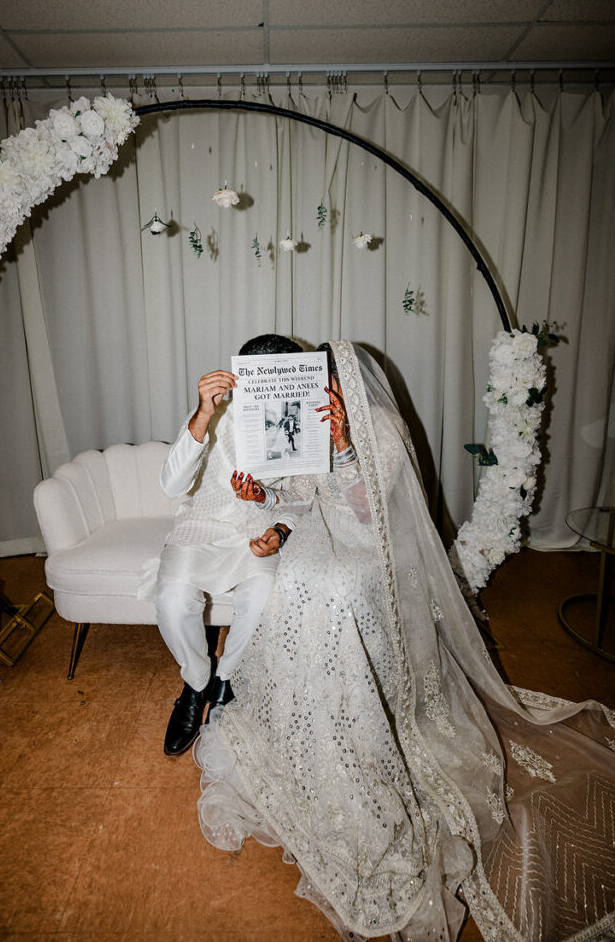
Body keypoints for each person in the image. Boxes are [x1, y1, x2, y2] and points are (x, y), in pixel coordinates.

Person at [194, 341, 615, 942]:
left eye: (327, 383)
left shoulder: (380, 428)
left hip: (373, 553)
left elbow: (375, 516)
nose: (322, 394)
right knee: (300, 579)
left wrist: (344, 444)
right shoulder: (299, 422)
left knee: (334, 591)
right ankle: (307, 713)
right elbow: (303, 501)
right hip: (319, 541)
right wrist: (266, 504)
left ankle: (360, 716)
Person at [147, 333, 304, 757]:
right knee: (172, 598)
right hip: (202, 525)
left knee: (263, 597)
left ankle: (226, 679)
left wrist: (281, 530)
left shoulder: (301, 420)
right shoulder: (213, 413)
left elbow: (305, 495)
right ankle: (196, 683)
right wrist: (202, 413)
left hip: (256, 531)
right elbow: (172, 485)